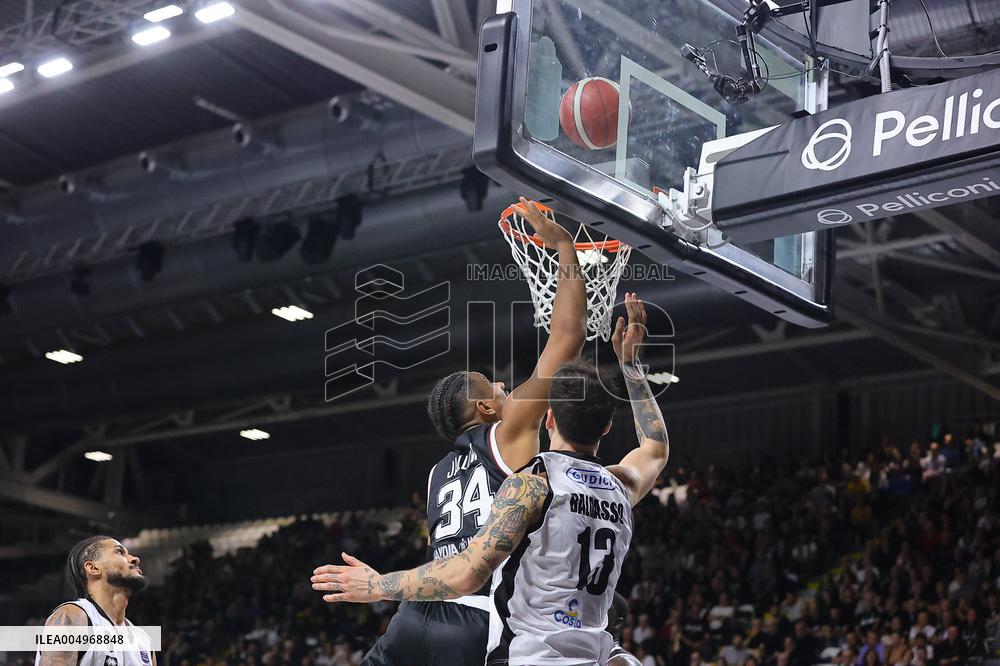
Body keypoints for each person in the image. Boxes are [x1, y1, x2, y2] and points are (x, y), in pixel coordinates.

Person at [312, 293, 670, 666]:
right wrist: (630, 367)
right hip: (557, 640)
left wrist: (377, 586)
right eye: (491, 384)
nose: (502, 385)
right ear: (609, 428)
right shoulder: (619, 486)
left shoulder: (522, 481)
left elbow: (466, 571)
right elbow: (656, 448)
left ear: (548, 420)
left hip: (464, 626)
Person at [351, 197, 587, 666]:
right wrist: (563, 246)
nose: (506, 386)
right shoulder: (509, 431)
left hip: (412, 616)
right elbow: (568, 337)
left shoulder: (438, 473)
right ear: (485, 407)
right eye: (497, 386)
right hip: (475, 620)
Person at [35, 536, 154, 666]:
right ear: (93, 568)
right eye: (119, 552)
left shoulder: (143, 639)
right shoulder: (72, 617)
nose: (135, 558)